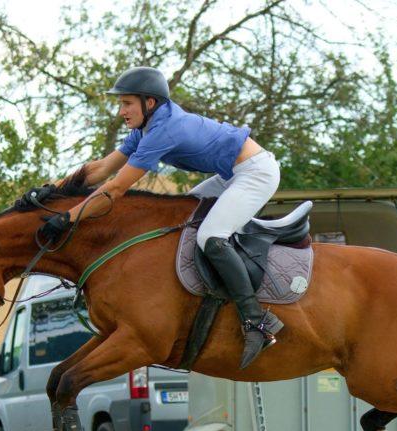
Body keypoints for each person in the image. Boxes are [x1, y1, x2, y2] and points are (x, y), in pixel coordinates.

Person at [38, 66, 283, 369]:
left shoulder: (164, 130)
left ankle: (257, 323)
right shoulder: (145, 129)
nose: (121, 111)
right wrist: (51, 190)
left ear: (149, 103)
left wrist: (68, 218)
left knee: (210, 236)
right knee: (180, 217)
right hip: (230, 175)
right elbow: (101, 169)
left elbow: (115, 188)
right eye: (121, 104)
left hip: (256, 173)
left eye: (127, 103)